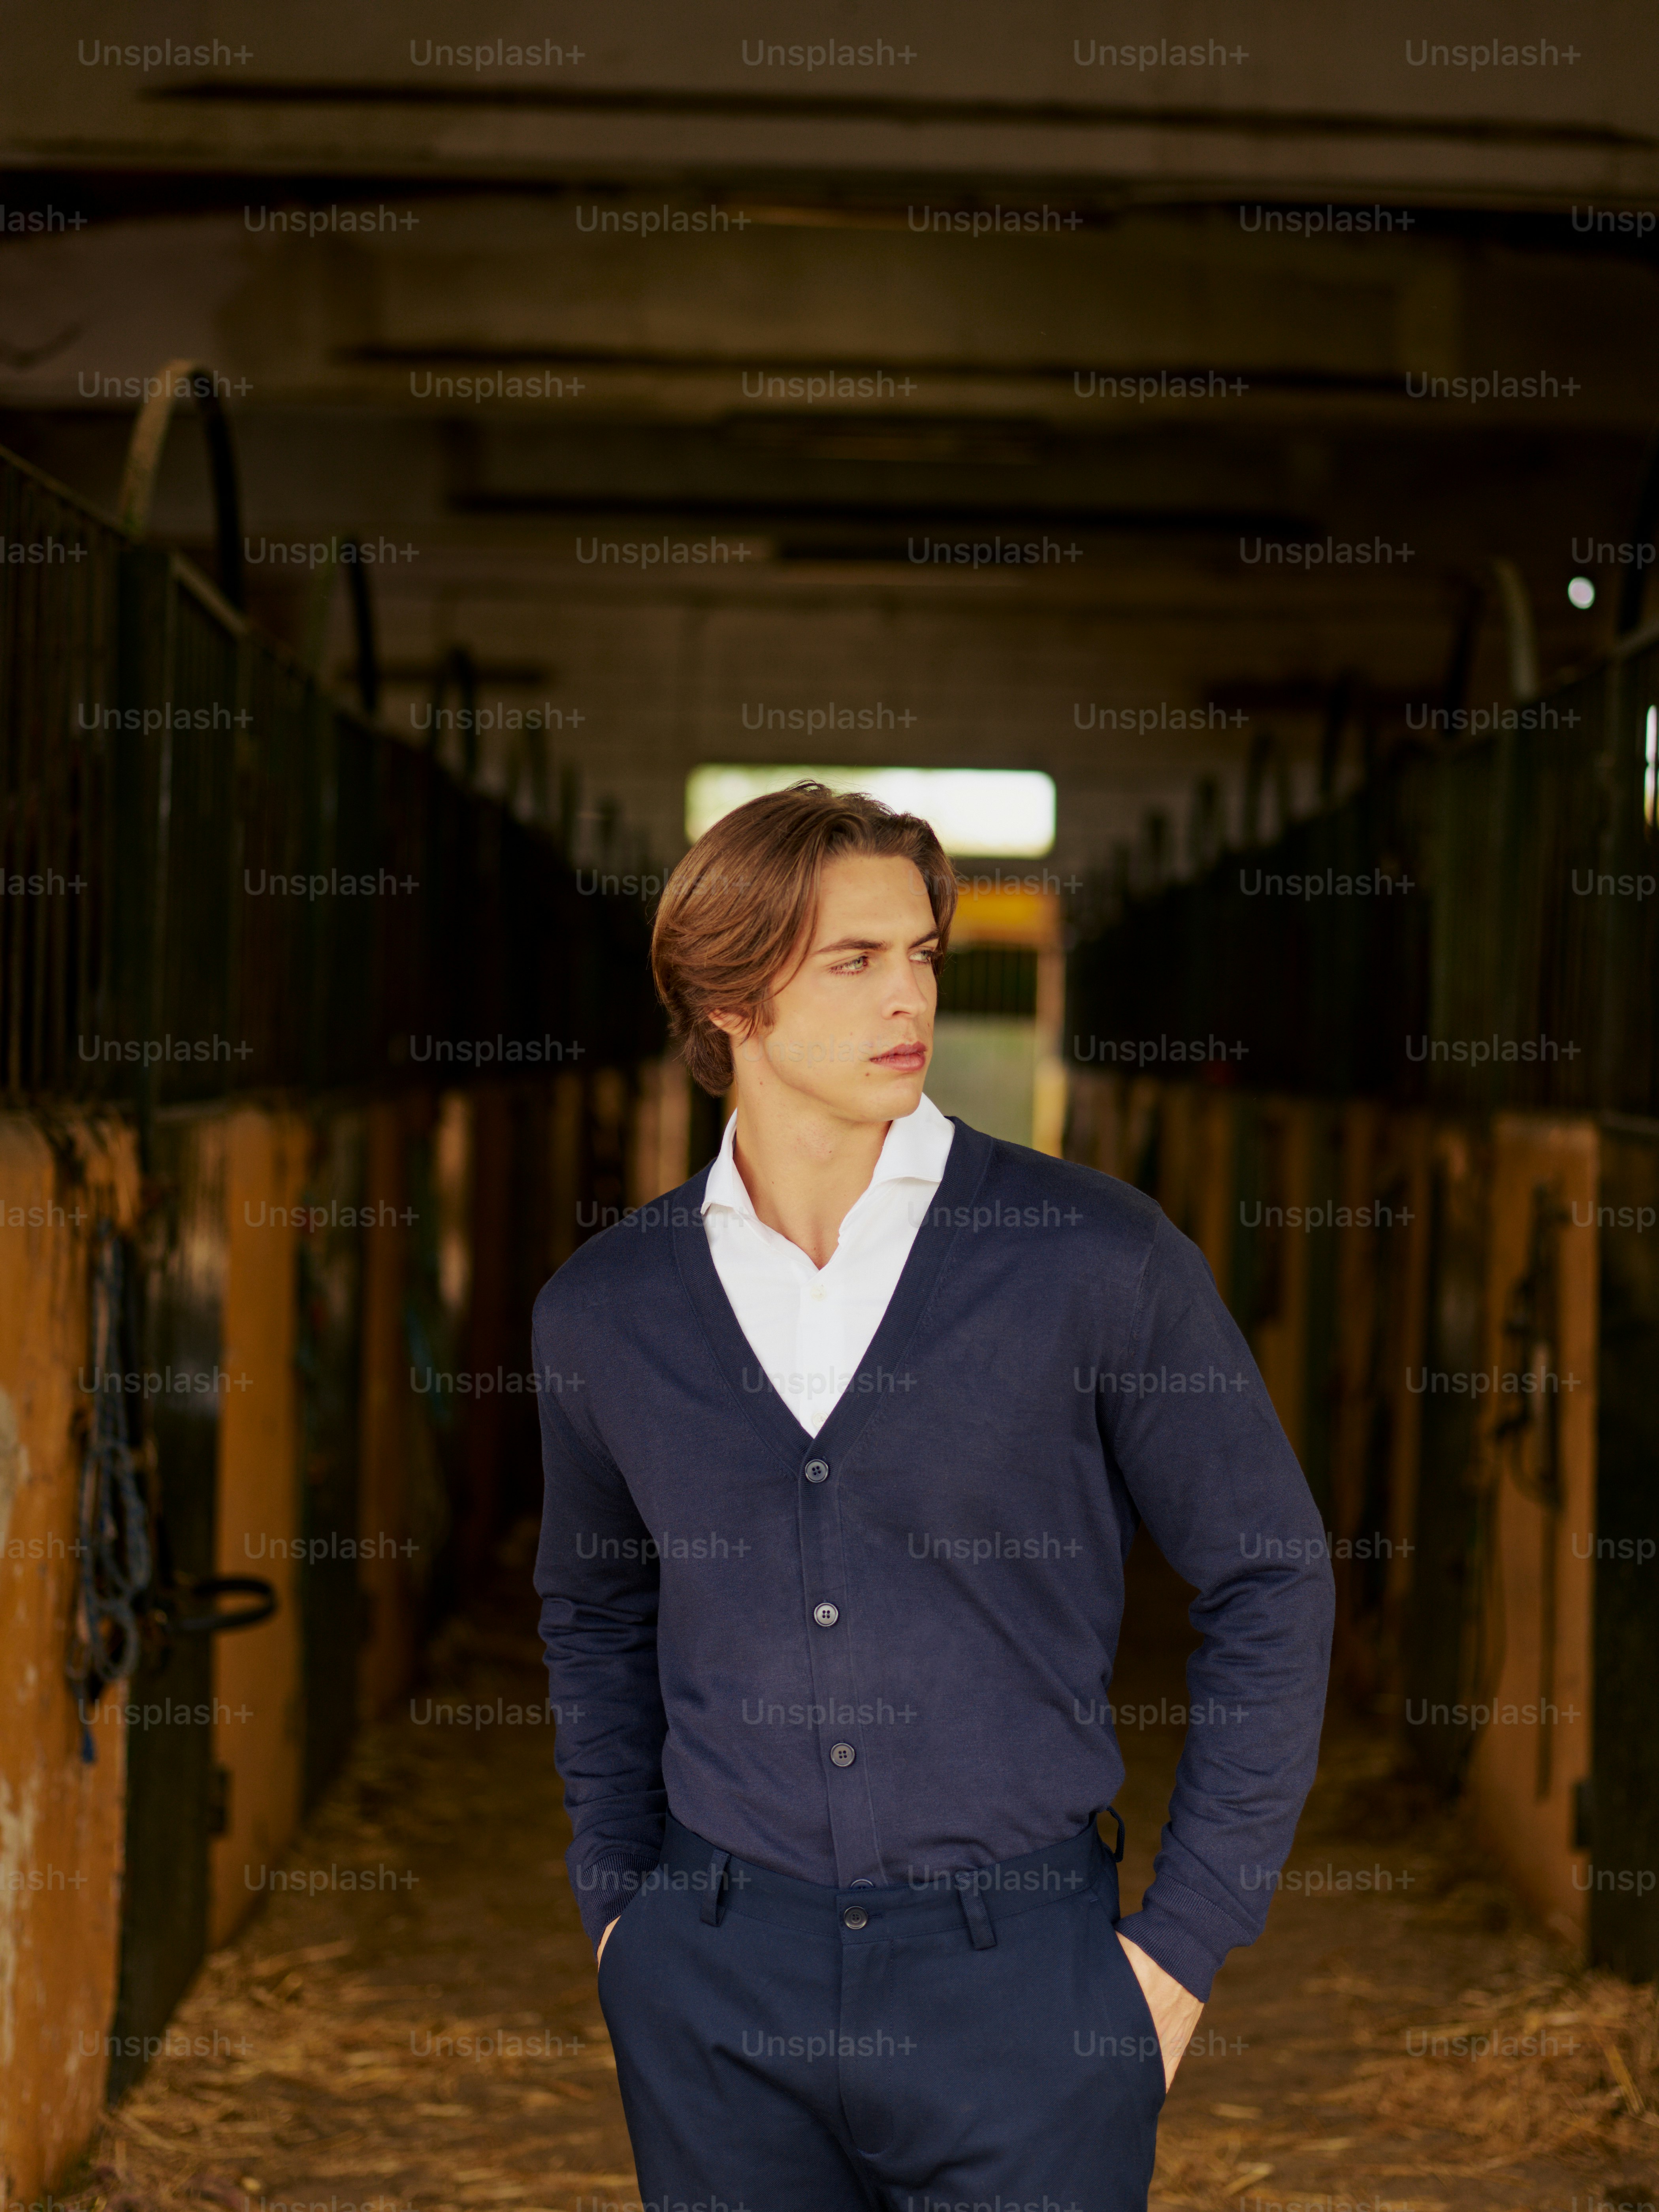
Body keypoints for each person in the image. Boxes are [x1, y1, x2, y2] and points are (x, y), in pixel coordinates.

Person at [533, 780, 1333, 2212]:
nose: (908, 996)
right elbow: (593, 1612)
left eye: (922, 955)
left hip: (1026, 1984)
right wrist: (620, 1922)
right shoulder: (607, 1310)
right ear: (727, 996)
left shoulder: (1094, 1258)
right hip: (717, 1984)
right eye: (853, 961)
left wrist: (1182, 1950)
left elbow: (1272, 1575)